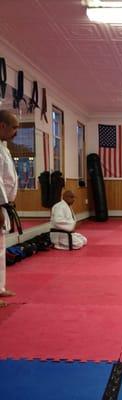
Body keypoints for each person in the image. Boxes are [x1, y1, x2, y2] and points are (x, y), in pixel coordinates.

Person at [0, 110, 19, 307]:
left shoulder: (4, 148)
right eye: (14, 127)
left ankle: (0, 287)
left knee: (0, 250)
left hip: (5, 204)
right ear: (2, 126)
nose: (16, 132)